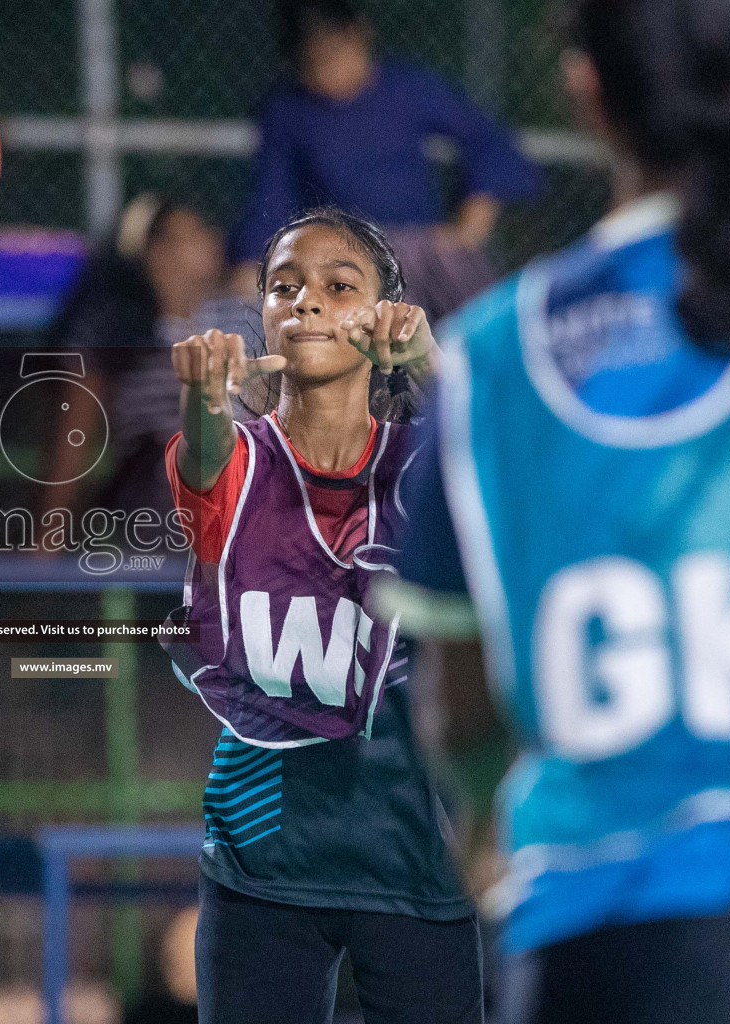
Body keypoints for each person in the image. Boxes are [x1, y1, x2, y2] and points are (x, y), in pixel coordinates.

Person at [384, 0, 730, 1020]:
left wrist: (484, 834)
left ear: (589, 91)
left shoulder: (494, 360)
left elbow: (460, 706)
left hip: (600, 933)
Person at [161, 207, 481, 1023]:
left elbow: (500, 468)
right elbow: (203, 455)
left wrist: (434, 364)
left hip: (413, 855)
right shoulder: (236, 460)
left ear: (383, 316)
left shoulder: (425, 467)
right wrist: (202, 397)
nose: (306, 303)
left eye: (340, 287)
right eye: (284, 286)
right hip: (262, 861)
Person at [229, 0, 540, 320]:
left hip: (421, 252)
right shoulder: (288, 112)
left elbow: (488, 139)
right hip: (339, 259)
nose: (330, 73)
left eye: (336, 54)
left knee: (475, 297)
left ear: (360, 35)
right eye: (314, 63)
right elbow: (270, 196)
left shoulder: (406, 89)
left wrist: (472, 221)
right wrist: (252, 260)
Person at [45, 193, 225, 529]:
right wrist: (49, 535)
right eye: (193, 232)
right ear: (157, 252)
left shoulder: (236, 327)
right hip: (161, 516)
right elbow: (74, 440)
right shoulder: (122, 345)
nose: (212, 240)